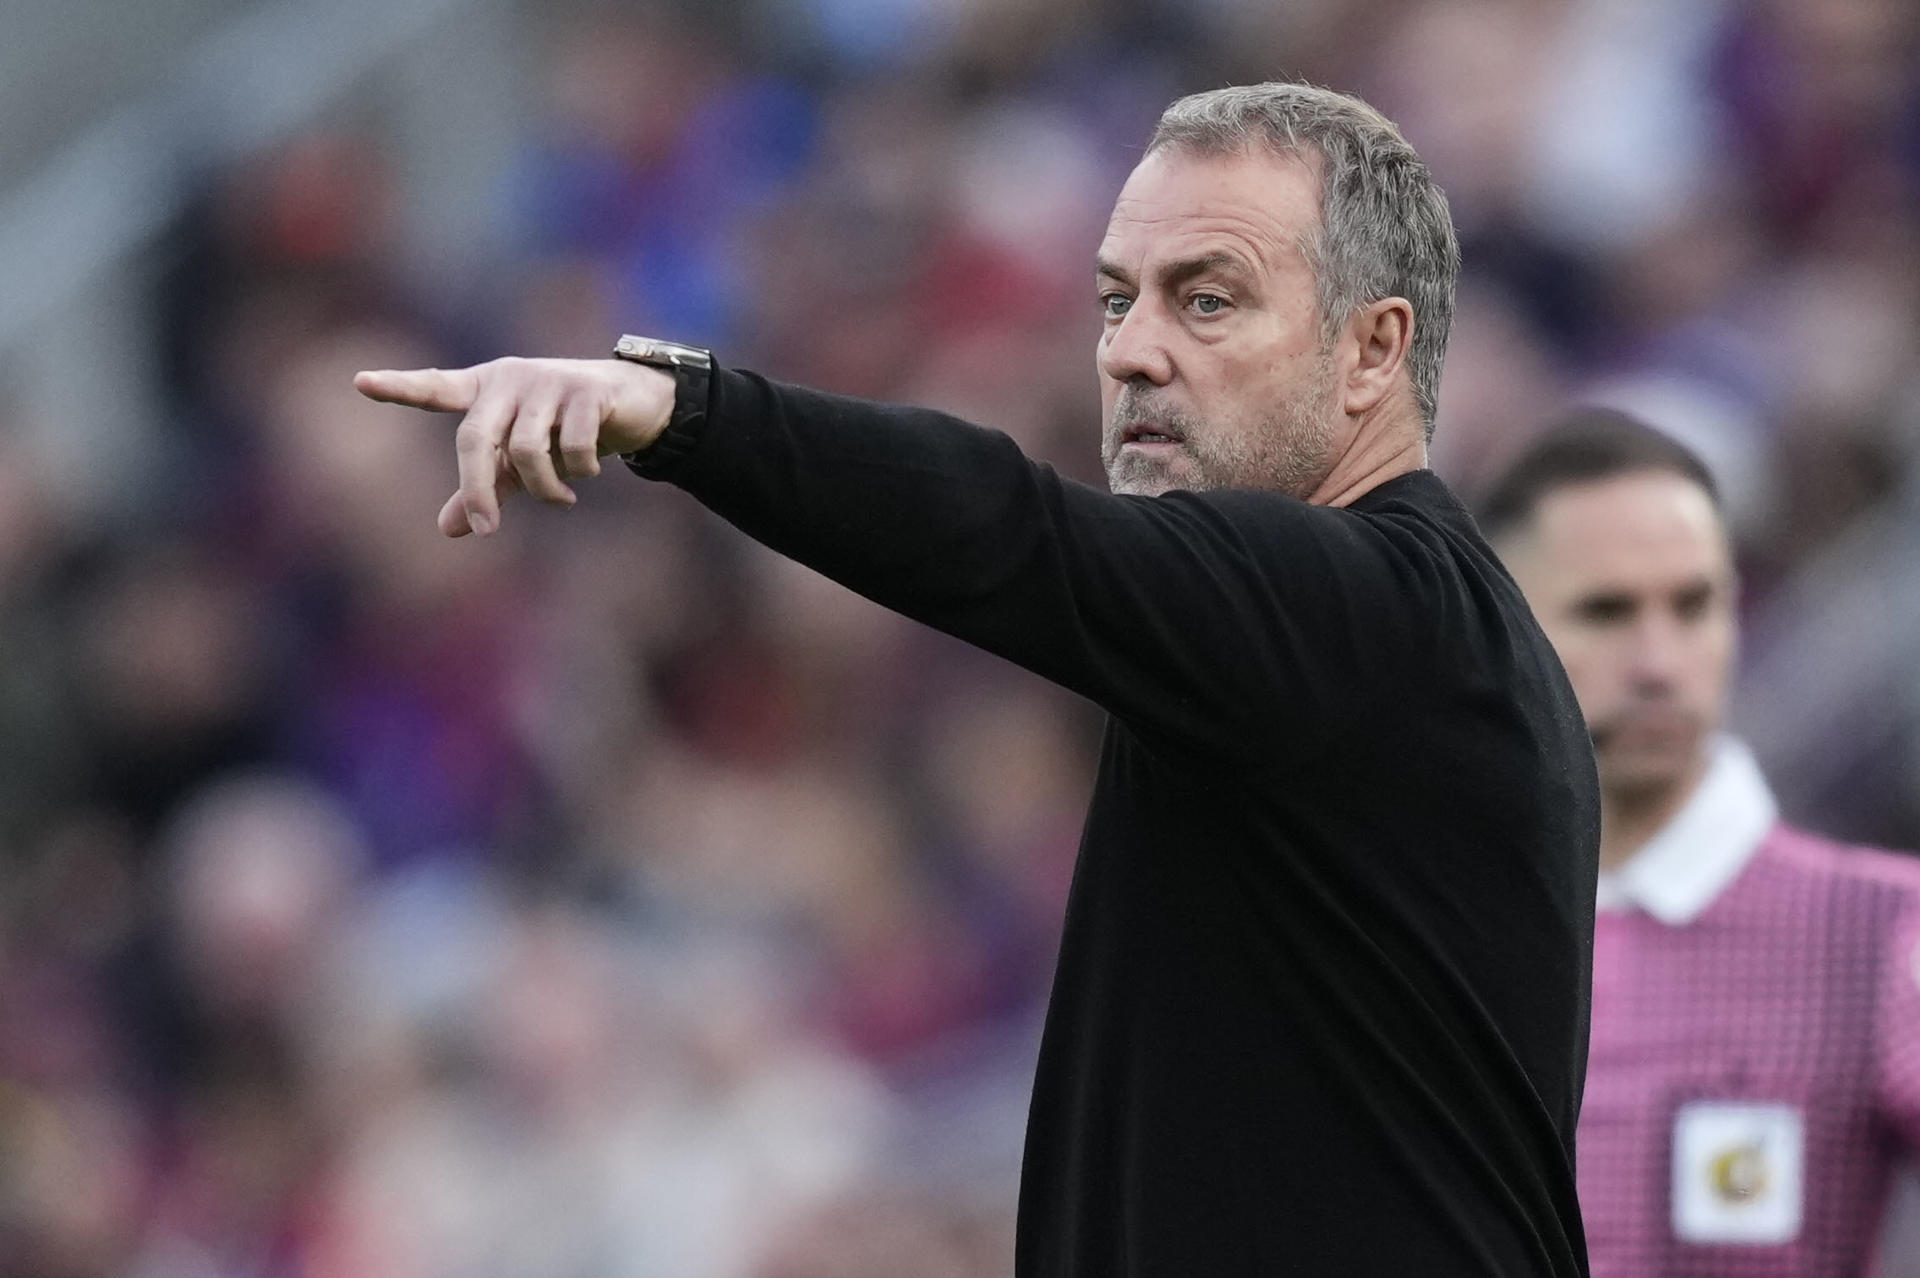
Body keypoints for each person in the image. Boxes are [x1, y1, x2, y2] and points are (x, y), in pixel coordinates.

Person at [356, 82, 1599, 1276]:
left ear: (1374, 350)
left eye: (1207, 301)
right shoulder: (1325, 650)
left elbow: (1010, 530)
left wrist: (684, 409)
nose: (1133, 354)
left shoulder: (1373, 607)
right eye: (1117, 303)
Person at [1483, 410, 1920, 1278]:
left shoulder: (1879, 931)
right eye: (1605, 611)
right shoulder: (1420, 933)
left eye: (1694, 605)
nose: (1659, 660)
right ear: (1494, 631)